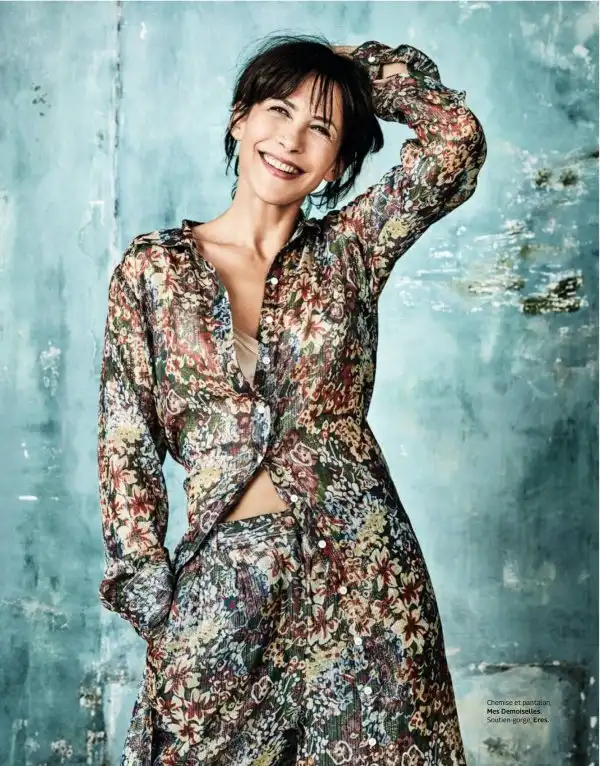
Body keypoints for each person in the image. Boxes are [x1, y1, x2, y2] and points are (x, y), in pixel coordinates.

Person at [97, 33, 487, 766]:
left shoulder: (350, 251)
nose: (291, 140)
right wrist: (155, 599)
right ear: (240, 118)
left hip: (365, 578)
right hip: (226, 579)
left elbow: (455, 142)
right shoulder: (153, 271)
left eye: (321, 127)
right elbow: (126, 443)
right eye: (278, 110)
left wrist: (361, 72)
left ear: (336, 162)